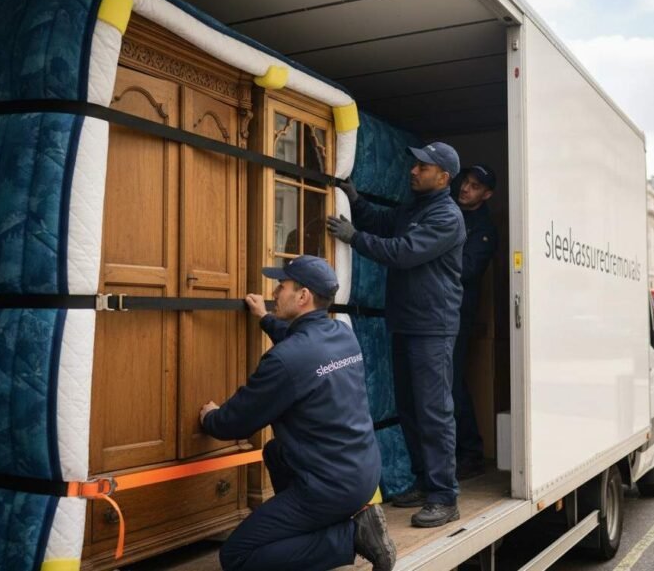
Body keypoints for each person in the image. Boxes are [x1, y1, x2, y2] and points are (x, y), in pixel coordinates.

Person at [198, 255, 395, 571]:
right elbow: (303, 346)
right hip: (363, 473)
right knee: (276, 451)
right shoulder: (343, 335)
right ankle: (317, 528)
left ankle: (350, 536)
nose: (275, 292)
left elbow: (234, 422)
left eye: (282, 286)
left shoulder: (284, 361)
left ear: (303, 297)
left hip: (329, 486)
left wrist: (211, 416)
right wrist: (265, 318)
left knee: (236, 556)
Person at [327, 142, 466, 528]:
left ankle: (444, 496)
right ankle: (426, 482)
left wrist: (354, 238)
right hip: (406, 323)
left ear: (443, 177)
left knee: (434, 413)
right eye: (415, 164)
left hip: (432, 328)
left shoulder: (447, 217)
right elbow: (385, 223)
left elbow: (403, 251)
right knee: (410, 409)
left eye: (423, 166)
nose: (413, 170)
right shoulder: (416, 208)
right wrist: (354, 199)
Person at [450, 165, 498, 480]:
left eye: (475, 186)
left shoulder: (484, 229)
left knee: (451, 384)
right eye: (465, 182)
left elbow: (466, 270)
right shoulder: (447, 210)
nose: (466, 188)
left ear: (486, 194)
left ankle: (470, 453)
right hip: (441, 309)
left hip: (457, 313)